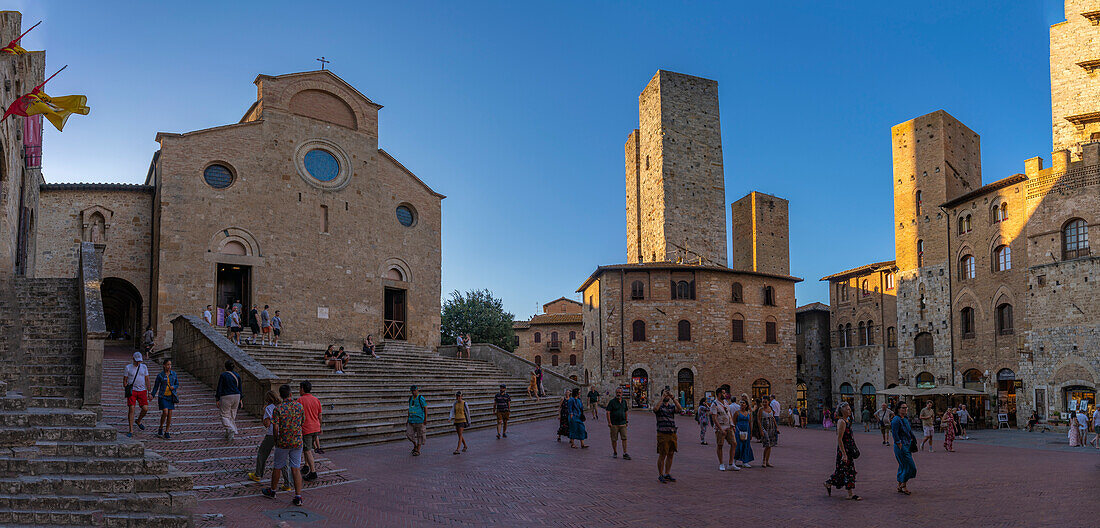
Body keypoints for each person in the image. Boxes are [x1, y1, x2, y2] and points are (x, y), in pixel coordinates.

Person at [261, 384, 304, 507]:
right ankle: (298, 496)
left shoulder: (278, 409)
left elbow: (275, 426)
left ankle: (273, 491)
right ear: (290, 394)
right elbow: (302, 422)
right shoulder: (299, 407)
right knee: (295, 468)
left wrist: (276, 439)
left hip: (283, 441)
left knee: (278, 466)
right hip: (297, 441)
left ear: (281, 395)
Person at [248, 389, 291, 490]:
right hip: (283, 433)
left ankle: (258, 474)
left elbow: (267, 424)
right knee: (284, 458)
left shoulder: (269, 408)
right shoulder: (283, 406)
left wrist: (264, 414)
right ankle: (287, 483)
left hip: (272, 434)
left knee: (262, 453)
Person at [824, 402, 860, 500]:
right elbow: (839, 439)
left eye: (849, 409)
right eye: (847, 409)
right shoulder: (842, 422)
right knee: (849, 470)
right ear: (842, 410)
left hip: (849, 449)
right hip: (844, 450)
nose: (849, 410)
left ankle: (828, 483)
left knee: (841, 471)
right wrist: (844, 454)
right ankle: (850, 494)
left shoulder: (847, 420)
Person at [654, 388, 682, 483]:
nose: (666, 396)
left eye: (667, 395)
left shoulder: (671, 407)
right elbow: (655, 409)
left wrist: (673, 398)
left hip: (672, 433)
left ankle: (667, 473)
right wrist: (661, 398)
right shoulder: (660, 406)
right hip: (662, 434)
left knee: (671, 454)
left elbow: (680, 409)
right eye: (665, 395)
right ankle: (660, 474)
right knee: (662, 454)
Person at [891, 402, 917, 495]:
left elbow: (909, 431)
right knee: (910, 466)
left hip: (908, 444)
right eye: (903, 408)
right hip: (901, 446)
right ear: (898, 409)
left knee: (903, 465)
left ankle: (900, 485)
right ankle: (903, 485)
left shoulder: (905, 419)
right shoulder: (896, 420)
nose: (905, 409)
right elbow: (894, 433)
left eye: (906, 408)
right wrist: (899, 443)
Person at [298, 381, 322, 481]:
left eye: (300, 388)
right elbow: (319, 415)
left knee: (307, 450)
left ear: (302, 389)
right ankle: (306, 465)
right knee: (307, 447)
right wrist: (320, 426)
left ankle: (313, 472)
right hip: (315, 427)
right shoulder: (316, 400)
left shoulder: (300, 400)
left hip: (306, 428)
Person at [150, 359, 179, 439]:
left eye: (170, 365)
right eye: (168, 365)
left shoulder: (174, 374)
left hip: (171, 396)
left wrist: (174, 387)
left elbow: (177, 384)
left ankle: (167, 431)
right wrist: (152, 395)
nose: (169, 366)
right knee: (165, 412)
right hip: (163, 396)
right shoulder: (160, 376)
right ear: (164, 365)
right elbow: (156, 387)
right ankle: (161, 427)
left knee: (170, 415)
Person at [214, 360, 243, 441]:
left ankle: (230, 429)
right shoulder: (237, 375)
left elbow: (220, 387)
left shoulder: (223, 375)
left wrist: (217, 398)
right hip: (237, 395)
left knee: (224, 415)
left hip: (226, 396)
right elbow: (240, 387)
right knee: (232, 414)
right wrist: (241, 399)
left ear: (225, 367)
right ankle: (229, 433)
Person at [123, 352, 150, 438]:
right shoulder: (128, 367)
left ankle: (138, 421)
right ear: (133, 359)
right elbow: (125, 380)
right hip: (132, 391)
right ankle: (131, 430)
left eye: (140, 361)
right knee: (131, 408)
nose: (138, 363)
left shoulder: (144, 367)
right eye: (137, 361)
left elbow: (147, 379)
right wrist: (126, 387)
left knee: (145, 409)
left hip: (142, 390)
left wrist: (149, 392)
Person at [710, 389, 737, 471]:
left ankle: (731, 463)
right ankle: (721, 463)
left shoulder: (725, 402)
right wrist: (720, 429)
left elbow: (729, 414)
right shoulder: (714, 404)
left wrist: (732, 425)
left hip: (729, 426)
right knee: (720, 445)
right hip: (720, 427)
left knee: (734, 443)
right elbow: (714, 418)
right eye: (723, 393)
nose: (725, 394)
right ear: (719, 394)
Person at [606, 387, 630, 460]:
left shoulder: (624, 402)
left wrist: (626, 421)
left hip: (622, 424)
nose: (618, 394)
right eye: (617, 392)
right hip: (614, 424)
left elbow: (626, 411)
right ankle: (615, 452)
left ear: (622, 393)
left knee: (624, 438)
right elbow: (608, 412)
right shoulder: (612, 402)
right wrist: (609, 422)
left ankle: (625, 453)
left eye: (620, 392)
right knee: (614, 439)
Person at [733, 396, 754, 469]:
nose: (742, 404)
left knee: (746, 445)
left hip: (746, 430)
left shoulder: (748, 413)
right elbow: (734, 423)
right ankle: (734, 459)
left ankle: (745, 461)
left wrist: (751, 433)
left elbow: (750, 423)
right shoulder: (737, 413)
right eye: (741, 403)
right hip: (738, 430)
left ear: (746, 405)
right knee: (738, 445)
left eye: (743, 403)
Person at [406, 386, 427, 456]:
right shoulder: (411, 398)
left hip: (420, 420)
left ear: (417, 390)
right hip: (411, 420)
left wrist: (425, 419)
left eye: (414, 390)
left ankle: (418, 450)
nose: (413, 392)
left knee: (420, 435)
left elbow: (425, 408)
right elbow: (409, 409)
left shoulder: (421, 398)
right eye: (412, 391)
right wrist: (407, 418)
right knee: (409, 434)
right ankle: (415, 445)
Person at [759, 396, 779, 467]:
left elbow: (773, 418)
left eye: (765, 402)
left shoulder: (770, 408)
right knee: (767, 444)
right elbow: (758, 420)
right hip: (765, 428)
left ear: (768, 402)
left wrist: (776, 427)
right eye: (763, 402)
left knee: (770, 445)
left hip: (771, 428)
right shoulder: (760, 410)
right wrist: (761, 430)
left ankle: (767, 461)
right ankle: (764, 460)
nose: (764, 403)